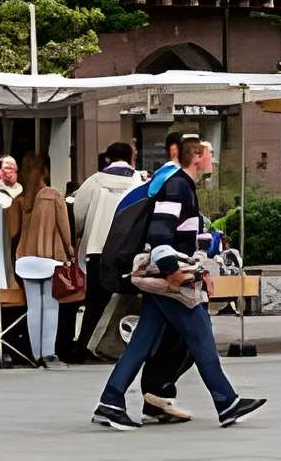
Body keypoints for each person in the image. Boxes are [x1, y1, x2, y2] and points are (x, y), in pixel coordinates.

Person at [91, 138, 264, 431]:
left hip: (166, 276)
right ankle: (226, 402)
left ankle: (110, 400)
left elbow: (178, 233)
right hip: (171, 280)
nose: (213, 159)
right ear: (196, 156)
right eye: (210, 154)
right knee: (201, 337)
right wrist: (173, 273)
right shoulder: (178, 185)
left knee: (143, 341)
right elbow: (160, 233)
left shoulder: (179, 184)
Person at [70, 142, 149, 367]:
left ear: (107, 159)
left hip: (97, 249)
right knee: (129, 298)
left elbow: (78, 216)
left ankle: (83, 347)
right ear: (132, 157)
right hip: (128, 250)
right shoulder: (139, 182)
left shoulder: (93, 182)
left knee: (94, 301)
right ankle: (123, 345)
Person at [8, 154, 77, 367]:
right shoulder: (54, 196)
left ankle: (36, 355)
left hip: (25, 259)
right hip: (50, 258)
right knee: (50, 306)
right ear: (45, 171)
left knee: (33, 308)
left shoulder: (18, 200)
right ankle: (49, 353)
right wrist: (70, 250)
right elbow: (65, 228)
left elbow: (12, 232)